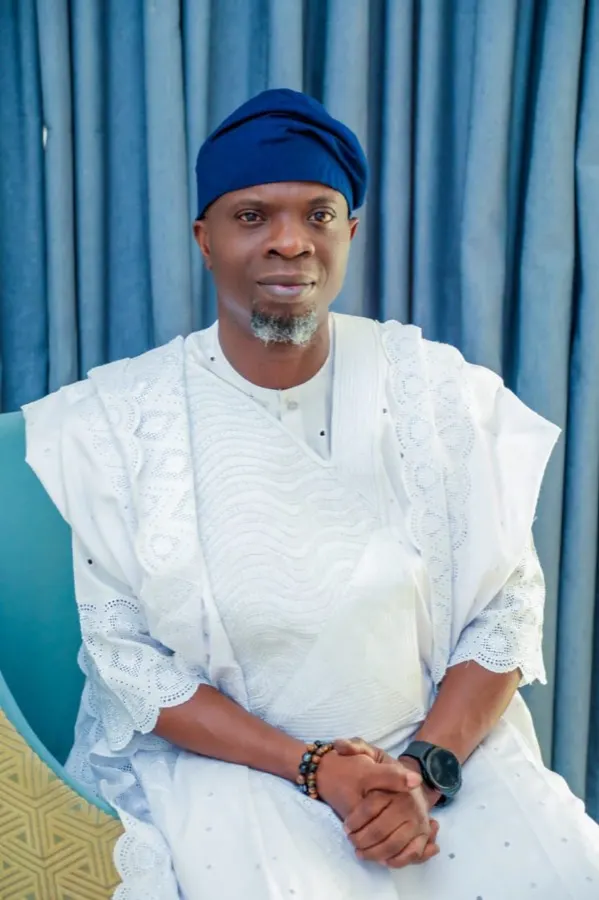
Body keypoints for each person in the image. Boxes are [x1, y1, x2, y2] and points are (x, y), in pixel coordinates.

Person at [23, 88, 599, 900]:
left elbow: (504, 608)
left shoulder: (437, 391)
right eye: (252, 216)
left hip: (433, 757)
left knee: (569, 873)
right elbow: (130, 664)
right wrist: (312, 767)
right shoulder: (121, 420)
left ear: (350, 233)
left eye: (318, 215)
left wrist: (419, 773)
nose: (289, 243)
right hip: (231, 766)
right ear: (205, 239)